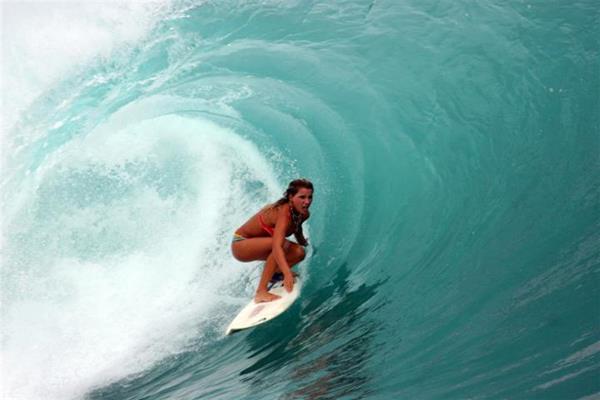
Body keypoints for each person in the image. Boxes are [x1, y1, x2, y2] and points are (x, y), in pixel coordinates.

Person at [231, 179, 313, 303]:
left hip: (259, 243)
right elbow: (277, 247)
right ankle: (261, 292)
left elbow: (297, 227)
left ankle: (275, 274)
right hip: (240, 244)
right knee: (282, 245)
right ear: (291, 197)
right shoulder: (283, 214)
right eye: (302, 197)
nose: (307, 202)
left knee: (299, 252)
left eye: (310, 197)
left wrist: (305, 244)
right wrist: (287, 273)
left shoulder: (303, 213)